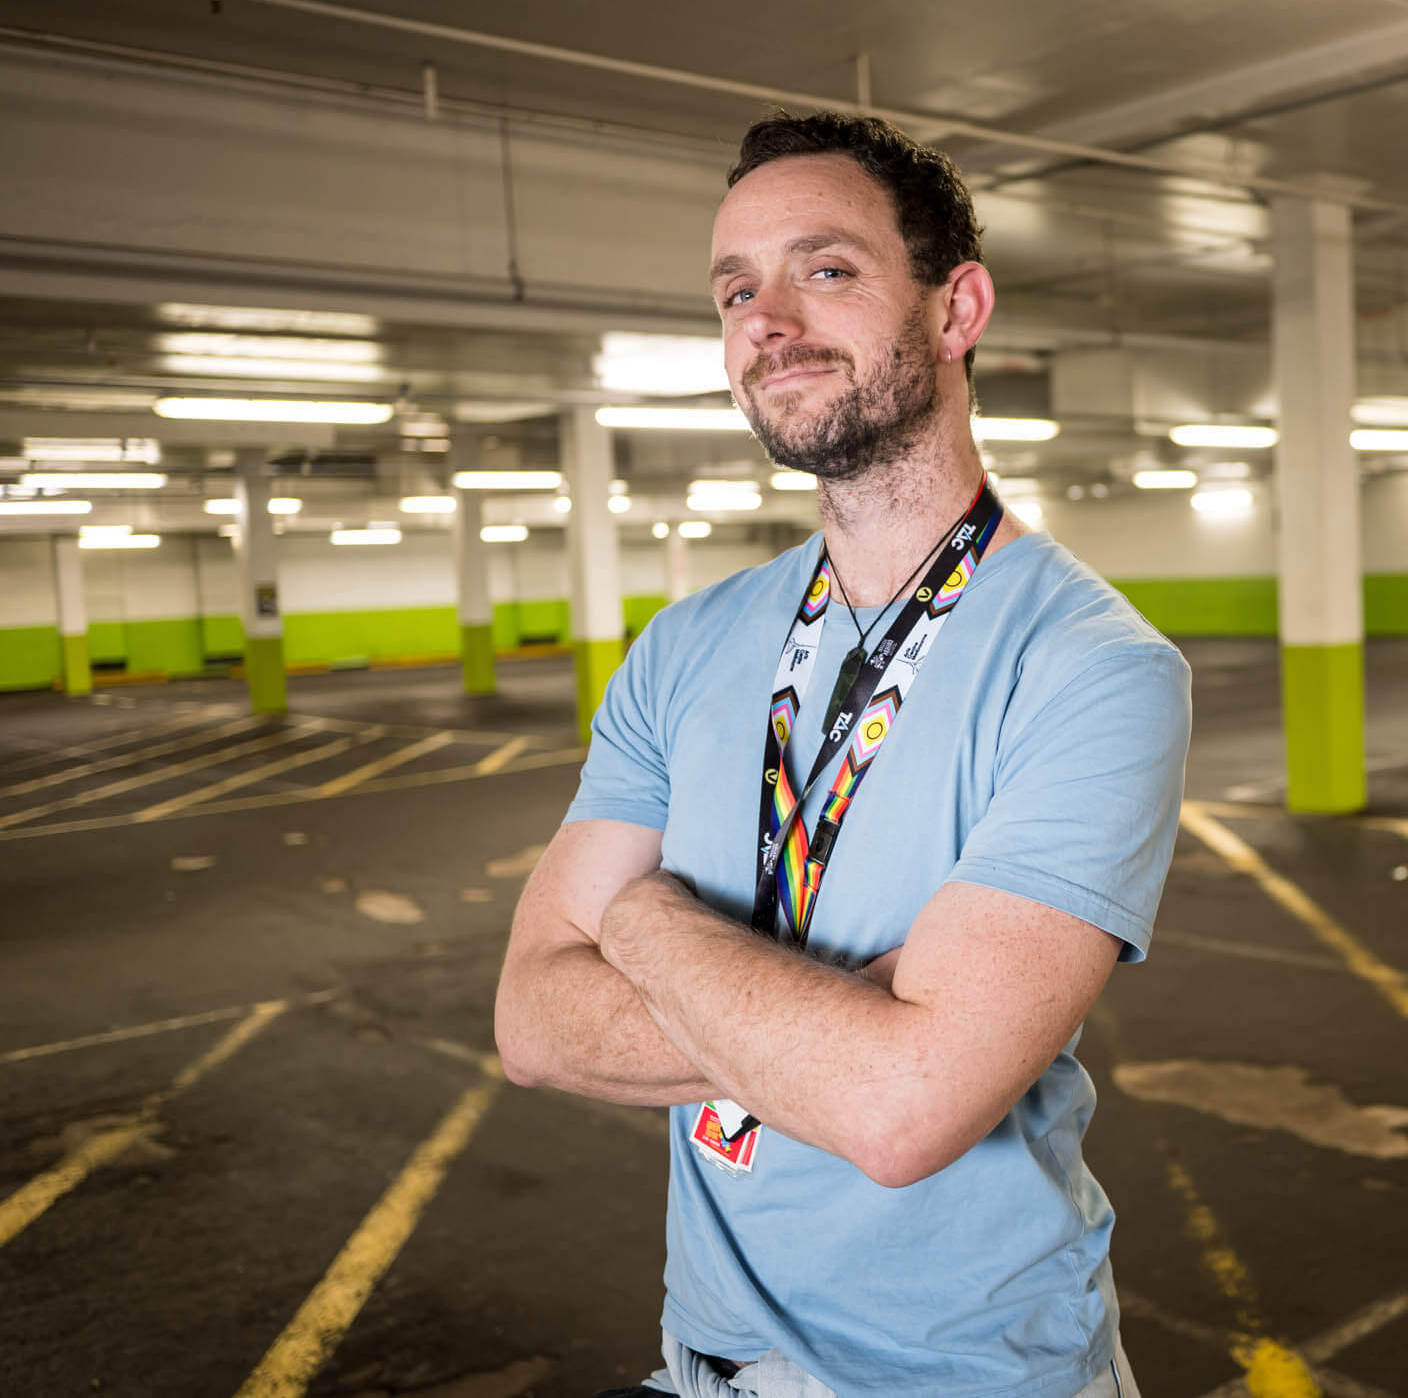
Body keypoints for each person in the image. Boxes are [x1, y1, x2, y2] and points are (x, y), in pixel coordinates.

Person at [493, 110, 1191, 1398]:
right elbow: (533, 1024)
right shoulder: (685, 645)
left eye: (824, 268)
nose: (766, 320)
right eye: (734, 290)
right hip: (703, 1355)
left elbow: (903, 1110)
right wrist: (849, 1027)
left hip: (968, 1376)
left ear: (956, 307)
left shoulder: (1092, 666)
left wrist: (642, 922)